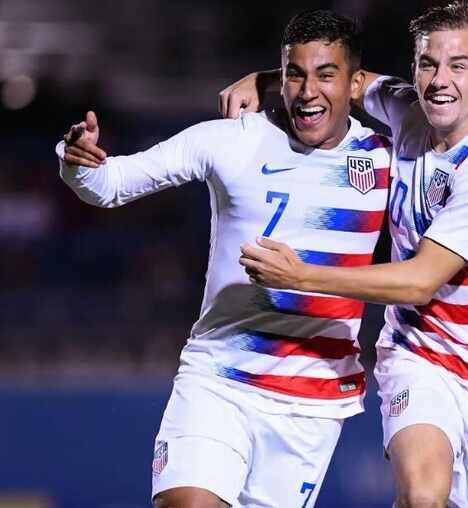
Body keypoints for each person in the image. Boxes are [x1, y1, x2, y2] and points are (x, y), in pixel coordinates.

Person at [57, 10, 392, 508]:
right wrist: (75, 159)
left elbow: (439, 101)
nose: (307, 91)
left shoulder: (387, 157)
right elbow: (111, 185)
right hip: (219, 378)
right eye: (294, 74)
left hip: (312, 401)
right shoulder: (231, 139)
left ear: (355, 83)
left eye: (326, 75)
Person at [221, 2, 468, 507]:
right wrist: (260, 79)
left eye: (459, 65)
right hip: (417, 354)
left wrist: (303, 275)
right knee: (423, 496)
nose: (439, 80)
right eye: (427, 64)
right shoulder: (406, 105)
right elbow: (343, 76)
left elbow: (421, 281)